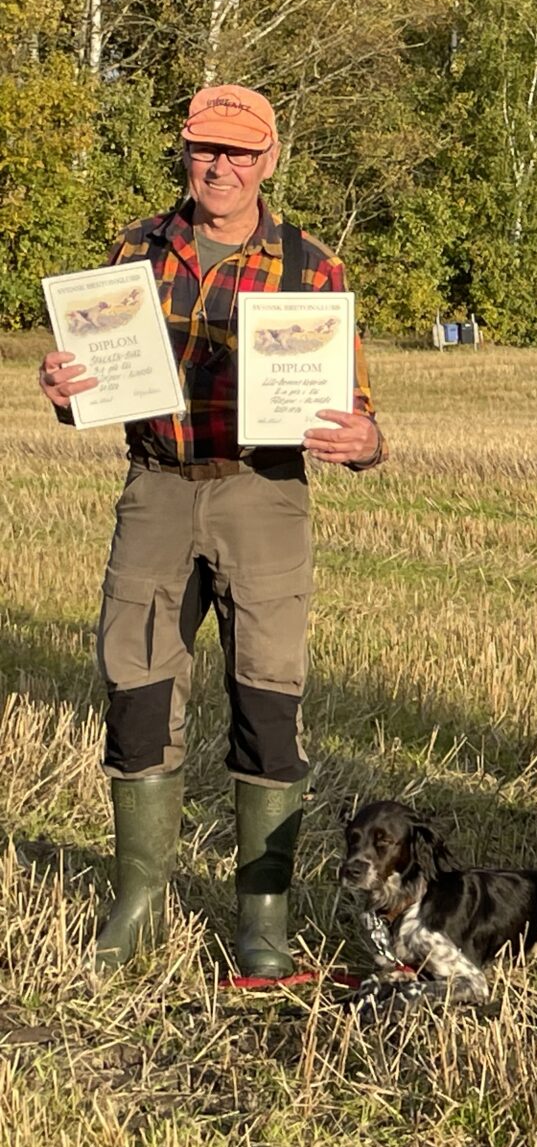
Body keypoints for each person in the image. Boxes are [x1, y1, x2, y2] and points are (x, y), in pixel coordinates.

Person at [37, 83, 384, 980]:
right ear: (185, 154)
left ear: (269, 160)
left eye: (238, 152)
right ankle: (140, 903)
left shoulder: (315, 267)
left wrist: (366, 441)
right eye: (204, 150)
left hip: (262, 494)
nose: (219, 167)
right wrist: (69, 392)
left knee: (269, 700)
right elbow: (96, 384)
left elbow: (360, 414)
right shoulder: (134, 251)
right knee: (137, 686)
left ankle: (261, 925)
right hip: (154, 487)